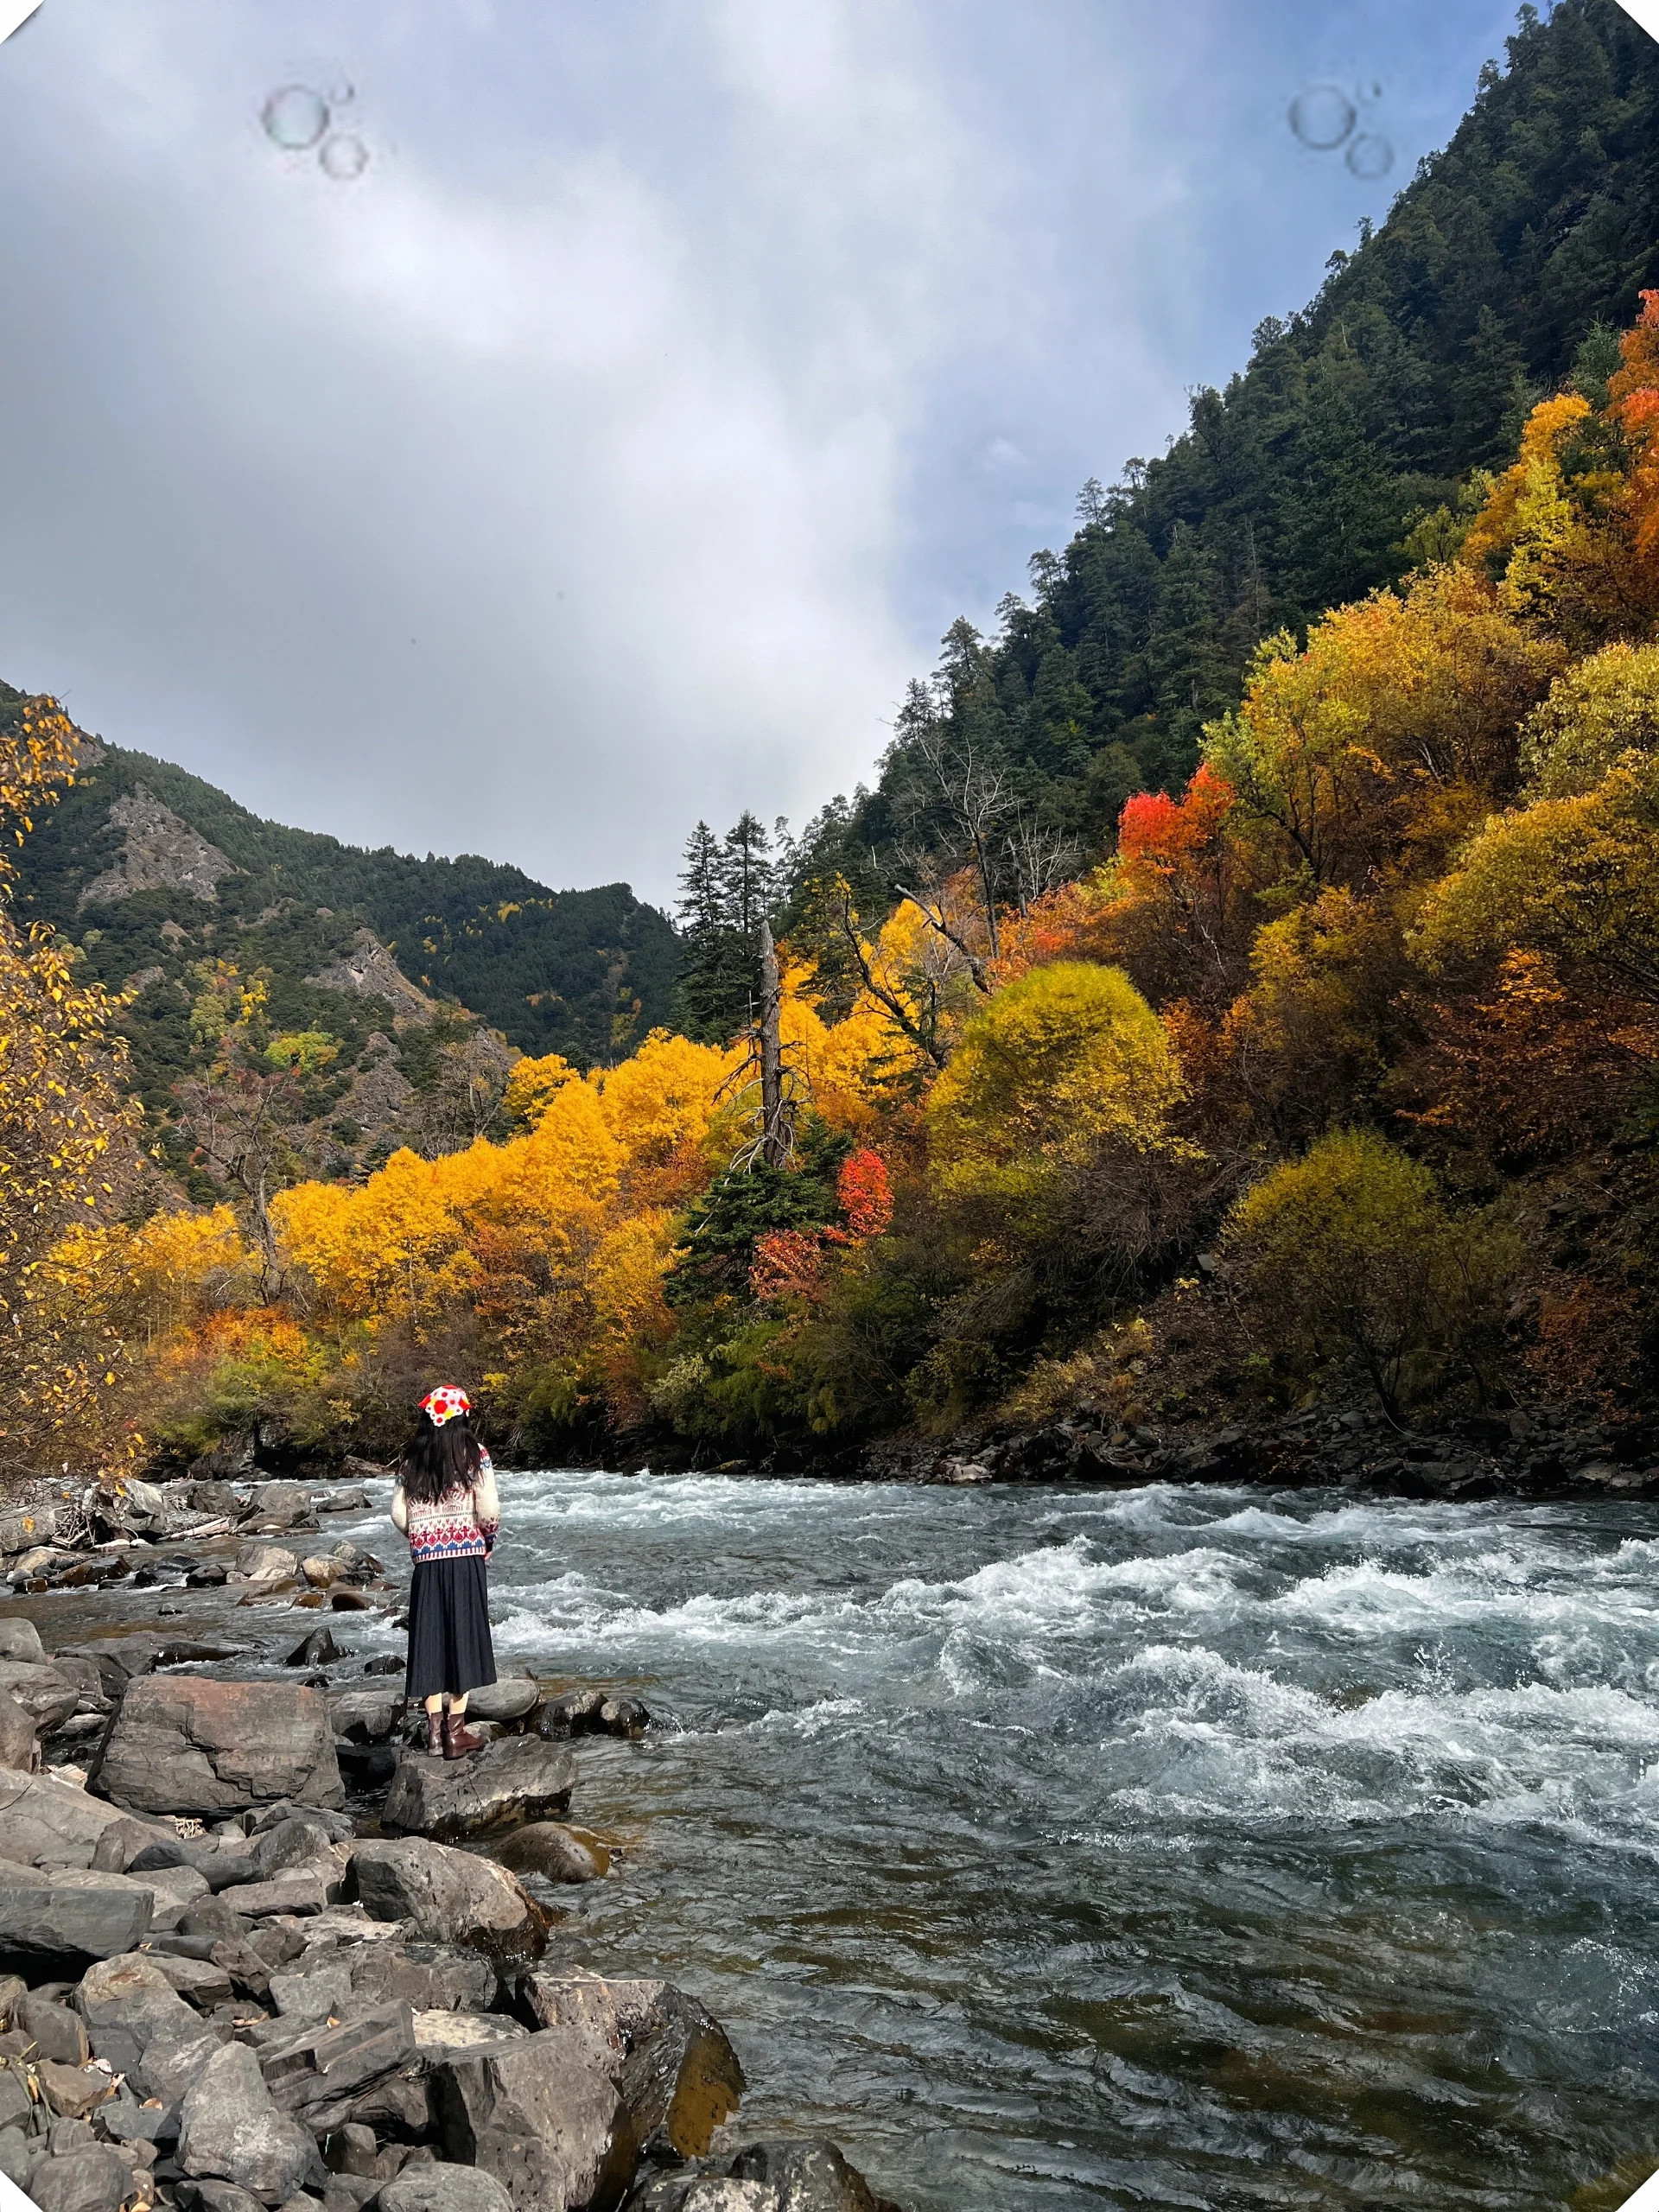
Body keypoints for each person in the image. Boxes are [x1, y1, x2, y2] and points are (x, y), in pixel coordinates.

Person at [390, 1384, 499, 1759]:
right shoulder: (475, 1454)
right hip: (466, 1557)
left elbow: (398, 1515)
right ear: (461, 1416)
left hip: (427, 1563)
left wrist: (421, 1536)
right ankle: (457, 1733)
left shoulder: (411, 1460)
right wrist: (487, 1540)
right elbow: (489, 1511)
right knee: (463, 1640)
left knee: (429, 1642)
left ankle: (434, 1735)